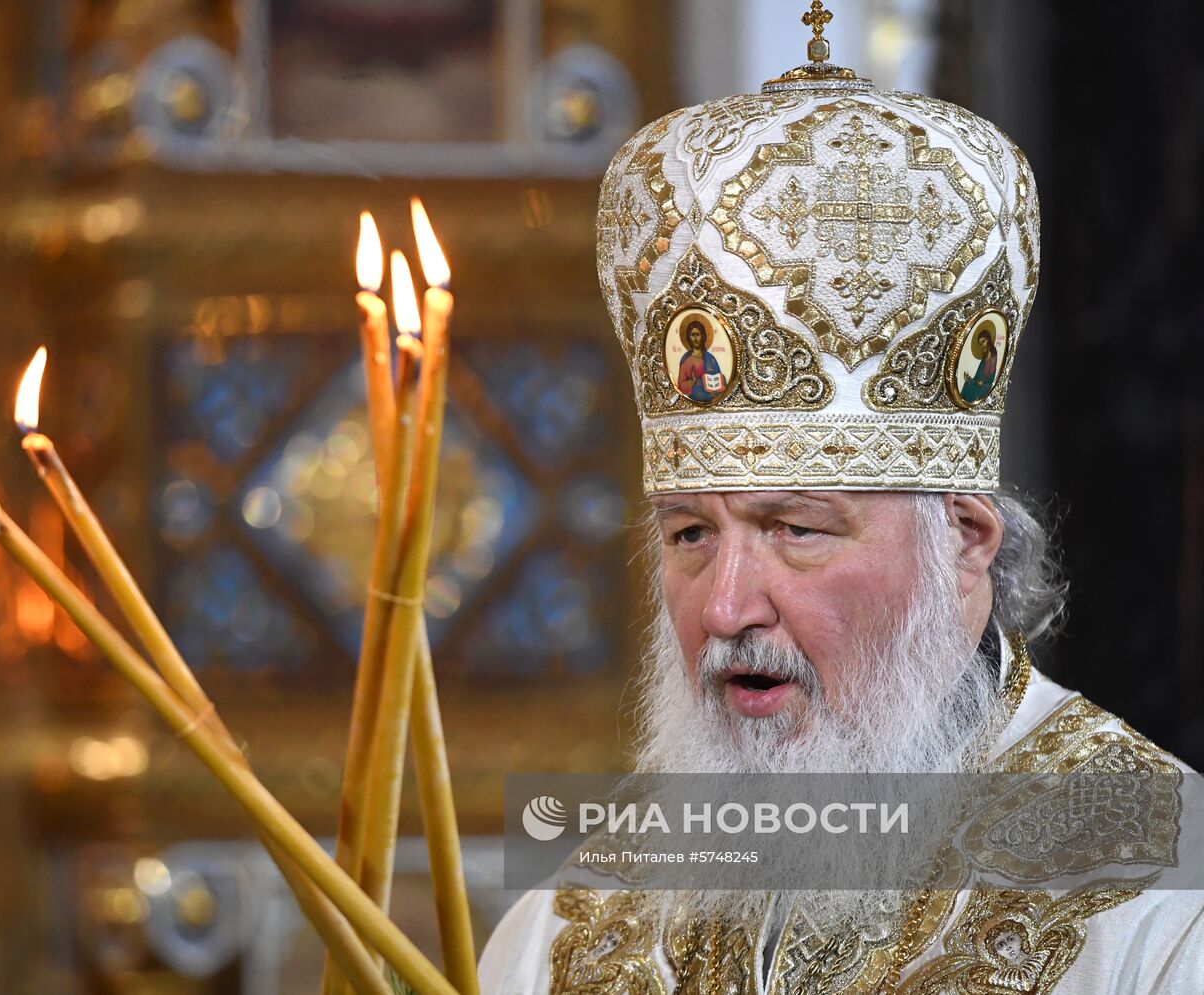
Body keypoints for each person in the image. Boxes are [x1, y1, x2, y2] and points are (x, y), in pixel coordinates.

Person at [477, 8, 1203, 992]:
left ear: (964, 538)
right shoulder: (573, 908)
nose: (726, 604)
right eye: (690, 531)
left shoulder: (1157, 890)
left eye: (795, 529)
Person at [676, 319, 726, 402]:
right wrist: (692, 381)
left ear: (703, 336)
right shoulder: (685, 359)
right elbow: (681, 384)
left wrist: (722, 380)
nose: (695, 338)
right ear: (688, 337)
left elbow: (718, 379)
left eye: (698, 335)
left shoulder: (710, 358)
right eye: (693, 335)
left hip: (712, 397)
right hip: (693, 396)